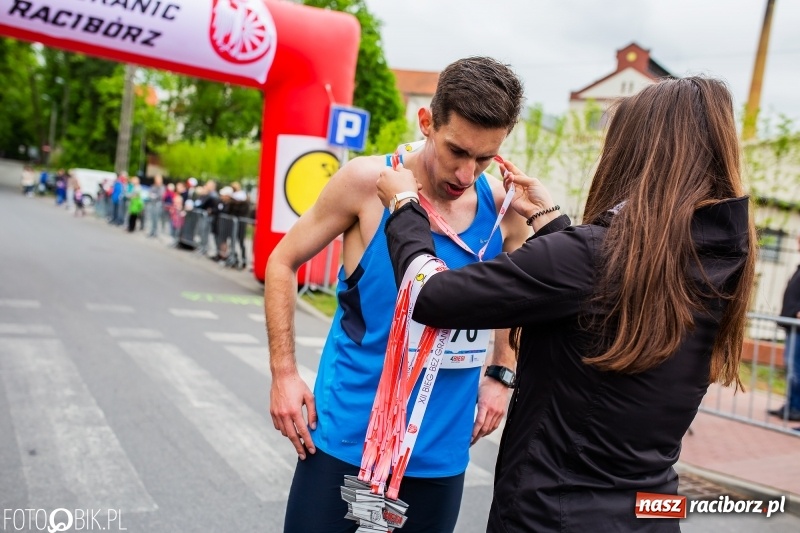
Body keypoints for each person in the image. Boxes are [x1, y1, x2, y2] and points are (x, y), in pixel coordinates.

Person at [376, 76, 756, 532]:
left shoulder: (590, 257)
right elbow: (607, 302)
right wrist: (551, 221)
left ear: (633, 155)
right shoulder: (716, 257)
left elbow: (431, 295)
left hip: (553, 515)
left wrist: (403, 206)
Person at [265, 56, 529, 533]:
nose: (467, 173)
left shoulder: (505, 210)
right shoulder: (367, 183)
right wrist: (284, 373)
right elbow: (282, 261)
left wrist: (501, 371)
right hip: (349, 436)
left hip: (439, 453)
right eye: (457, 151)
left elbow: (516, 295)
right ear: (427, 122)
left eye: (485, 158)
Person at [769, 234, 800, 421]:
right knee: (792, 368)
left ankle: (795, 407)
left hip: (798, 328)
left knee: (796, 369)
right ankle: (791, 405)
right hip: (792, 327)